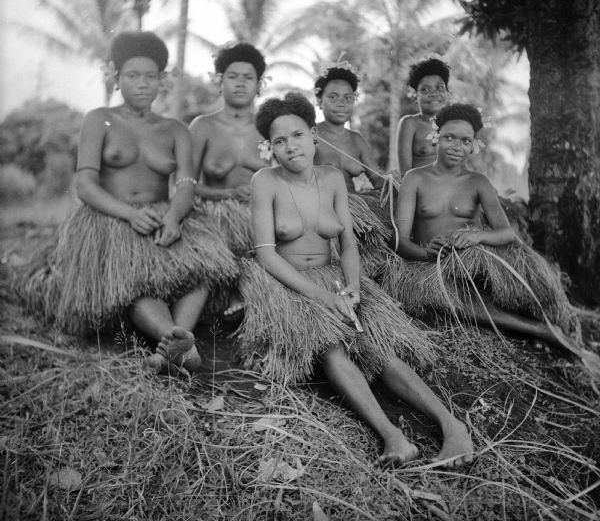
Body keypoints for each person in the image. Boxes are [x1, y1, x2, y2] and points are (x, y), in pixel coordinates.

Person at [235, 92, 474, 468]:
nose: (290, 147)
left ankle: (452, 426)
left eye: (297, 135)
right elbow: (265, 254)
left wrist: (354, 288)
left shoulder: (331, 178)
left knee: (377, 346)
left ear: (313, 135)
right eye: (279, 141)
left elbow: (347, 242)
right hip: (290, 284)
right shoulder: (264, 181)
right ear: (270, 148)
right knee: (332, 348)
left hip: (337, 279)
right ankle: (393, 437)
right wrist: (322, 298)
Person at [24, 31, 238, 373]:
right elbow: (85, 184)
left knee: (204, 270)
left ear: (161, 81)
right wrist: (127, 214)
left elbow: (185, 183)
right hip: (112, 217)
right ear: (117, 78)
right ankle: (178, 342)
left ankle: (175, 343)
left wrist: (174, 217)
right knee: (135, 280)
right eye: (133, 76)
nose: (142, 84)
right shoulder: (99, 119)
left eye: (150, 76)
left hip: (162, 213)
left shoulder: (175, 129)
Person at [385, 103, 595, 360]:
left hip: (473, 260)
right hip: (431, 267)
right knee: (450, 299)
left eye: (465, 141)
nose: (456, 146)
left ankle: (555, 321)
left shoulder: (478, 182)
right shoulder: (415, 178)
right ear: (435, 136)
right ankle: (539, 331)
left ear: (474, 145)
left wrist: (477, 235)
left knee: (528, 275)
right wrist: (425, 253)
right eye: (449, 137)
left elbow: (507, 234)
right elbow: (399, 240)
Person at [189, 42, 270, 316]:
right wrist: (226, 195)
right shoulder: (203, 126)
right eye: (232, 77)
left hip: (261, 220)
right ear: (220, 81)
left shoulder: (270, 128)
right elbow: (184, 184)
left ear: (259, 84)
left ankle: (251, 298)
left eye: (248, 78)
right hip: (214, 218)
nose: (240, 84)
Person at [313, 61, 393, 275]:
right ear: (319, 100)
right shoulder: (311, 135)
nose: (341, 103)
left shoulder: (357, 141)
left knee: (381, 261)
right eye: (333, 97)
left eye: (348, 98)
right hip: (318, 213)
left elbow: (377, 179)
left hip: (355, 212)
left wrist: (394, 181)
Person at [397, 57, 450, 177]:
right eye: (425, 89)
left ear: (447, 92)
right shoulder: (410, 123)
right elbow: (406, 174)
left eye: (440, 87)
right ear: (416, 96)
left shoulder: (456, 125)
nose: (433, 93)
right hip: (420, 191)